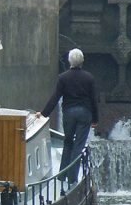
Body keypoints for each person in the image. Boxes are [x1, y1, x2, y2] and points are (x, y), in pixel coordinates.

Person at [36, 48, 99, 183]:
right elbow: (94, 99)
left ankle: (61, 176)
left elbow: (55, 97)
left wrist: (43, 113)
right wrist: (95, 119)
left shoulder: (63, 77)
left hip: (69, 113)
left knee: (68, 142)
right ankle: (72, 178)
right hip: (85, 113)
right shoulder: (89, 78)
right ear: (82, 61)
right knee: (79, 145)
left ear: (69, 60)